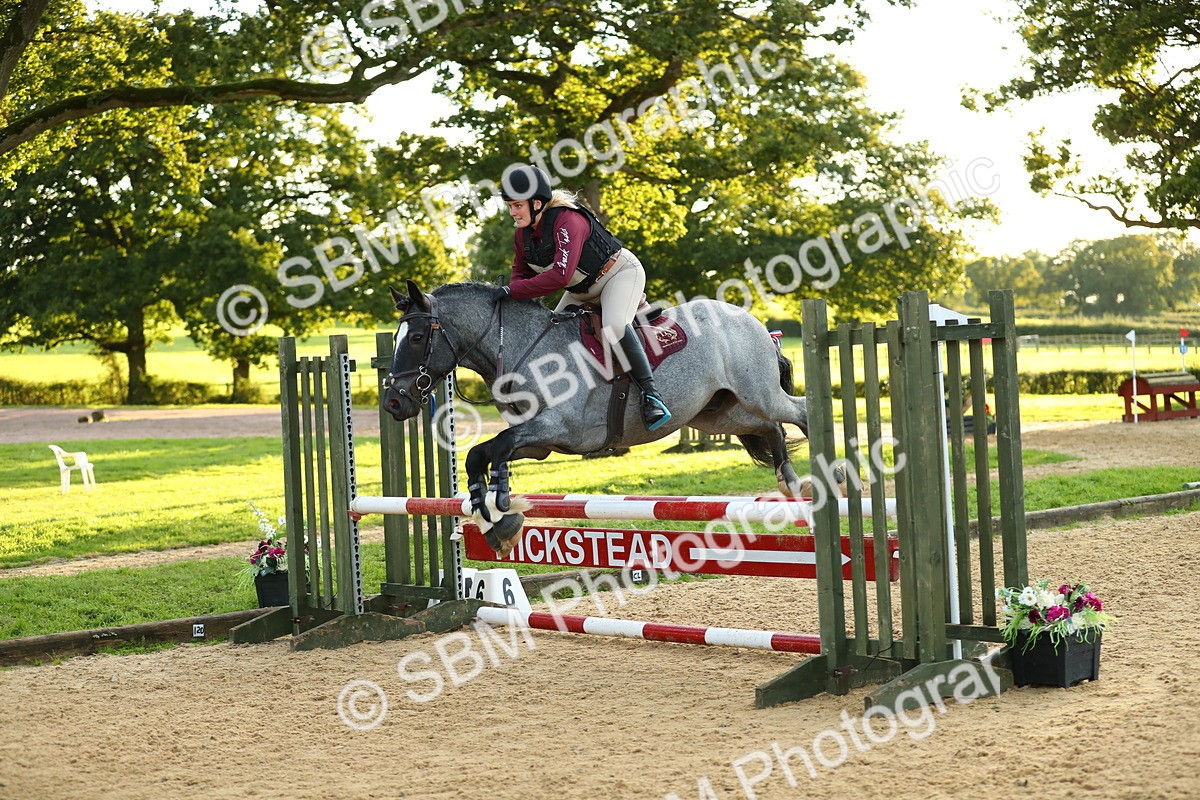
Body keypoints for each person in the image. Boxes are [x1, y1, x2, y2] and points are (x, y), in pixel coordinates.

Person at [490, 164, 671, 431]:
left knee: (613, 327)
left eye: (517, 205)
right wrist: (513, 295)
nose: (512, 212)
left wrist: (512, 291)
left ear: (537, 203)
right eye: (510, 206)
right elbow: (520, 272)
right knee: (552, 332)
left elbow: (561, 277)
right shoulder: (523, 234)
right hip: (582, 289)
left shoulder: (567, 221)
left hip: (619, 274)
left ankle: (652, 397)